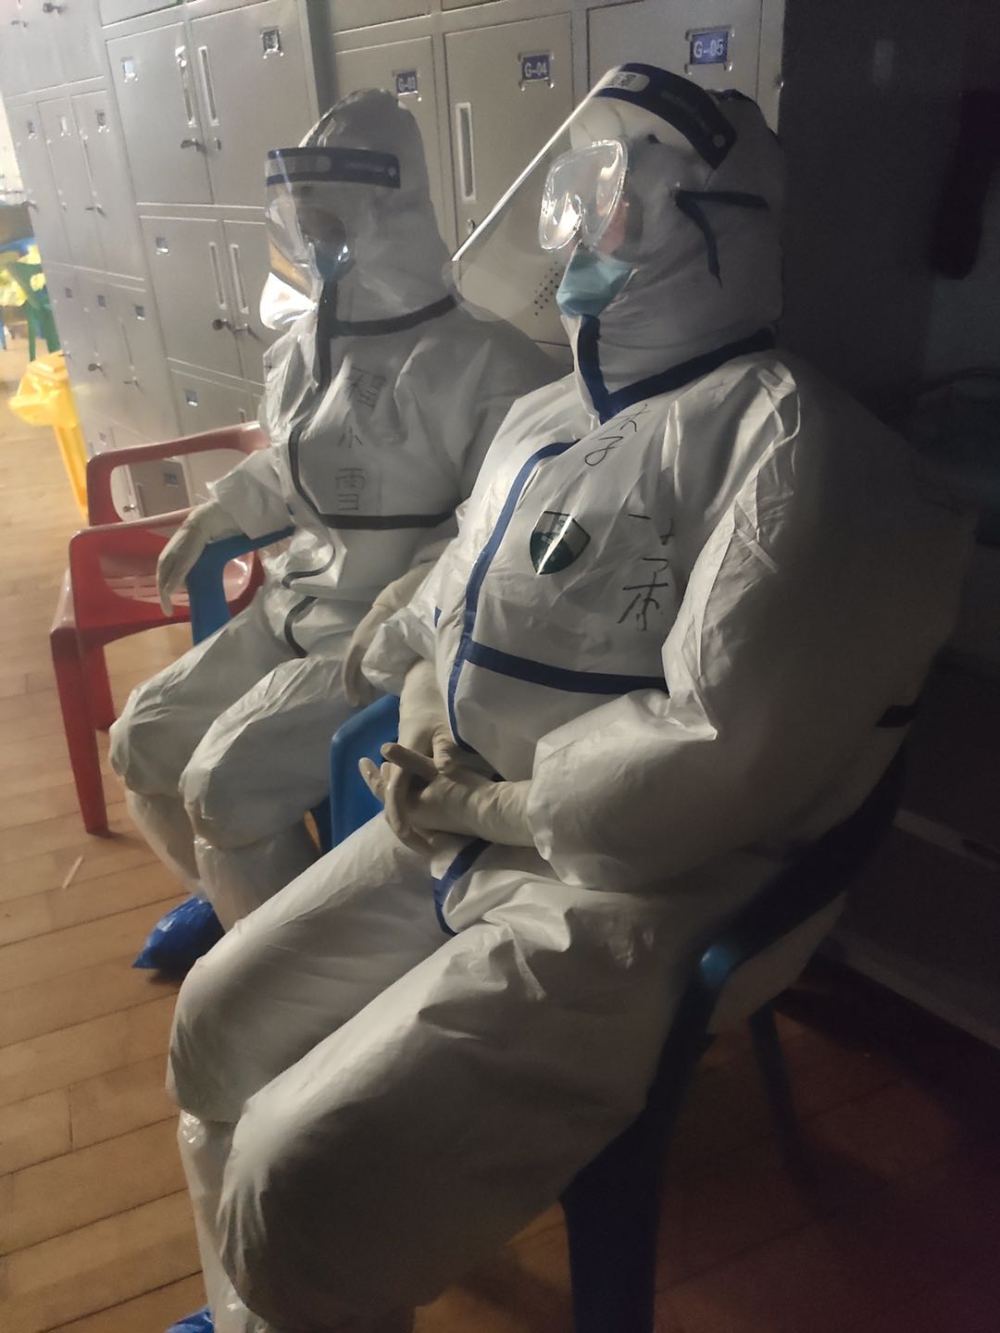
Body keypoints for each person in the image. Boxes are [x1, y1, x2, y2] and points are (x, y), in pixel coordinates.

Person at [167, 66, 972, 1332]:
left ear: (711, 231)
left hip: (637, 891)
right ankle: (248, 1313)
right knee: (211, 1034)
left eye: (614, 203)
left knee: (297, 1174)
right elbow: (455, 599)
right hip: (460, 821)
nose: (576, 231)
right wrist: (422, 712)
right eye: (573, 199)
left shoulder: (793, 452)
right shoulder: (547, 417)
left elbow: (716, 752)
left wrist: (492, 805)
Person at [108, 89, 556, 928]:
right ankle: (229, 900)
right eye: (302, 221)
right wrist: (216, 516)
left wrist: (405, 605)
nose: (314, 241)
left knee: (220, 784)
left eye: (329, 220)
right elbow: (295, 461)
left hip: (374, 638)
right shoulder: (310, 344)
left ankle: (272, 959)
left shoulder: (484, 364)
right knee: (140, 740)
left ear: (390, 213)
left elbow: (495, 533)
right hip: (293, 605)